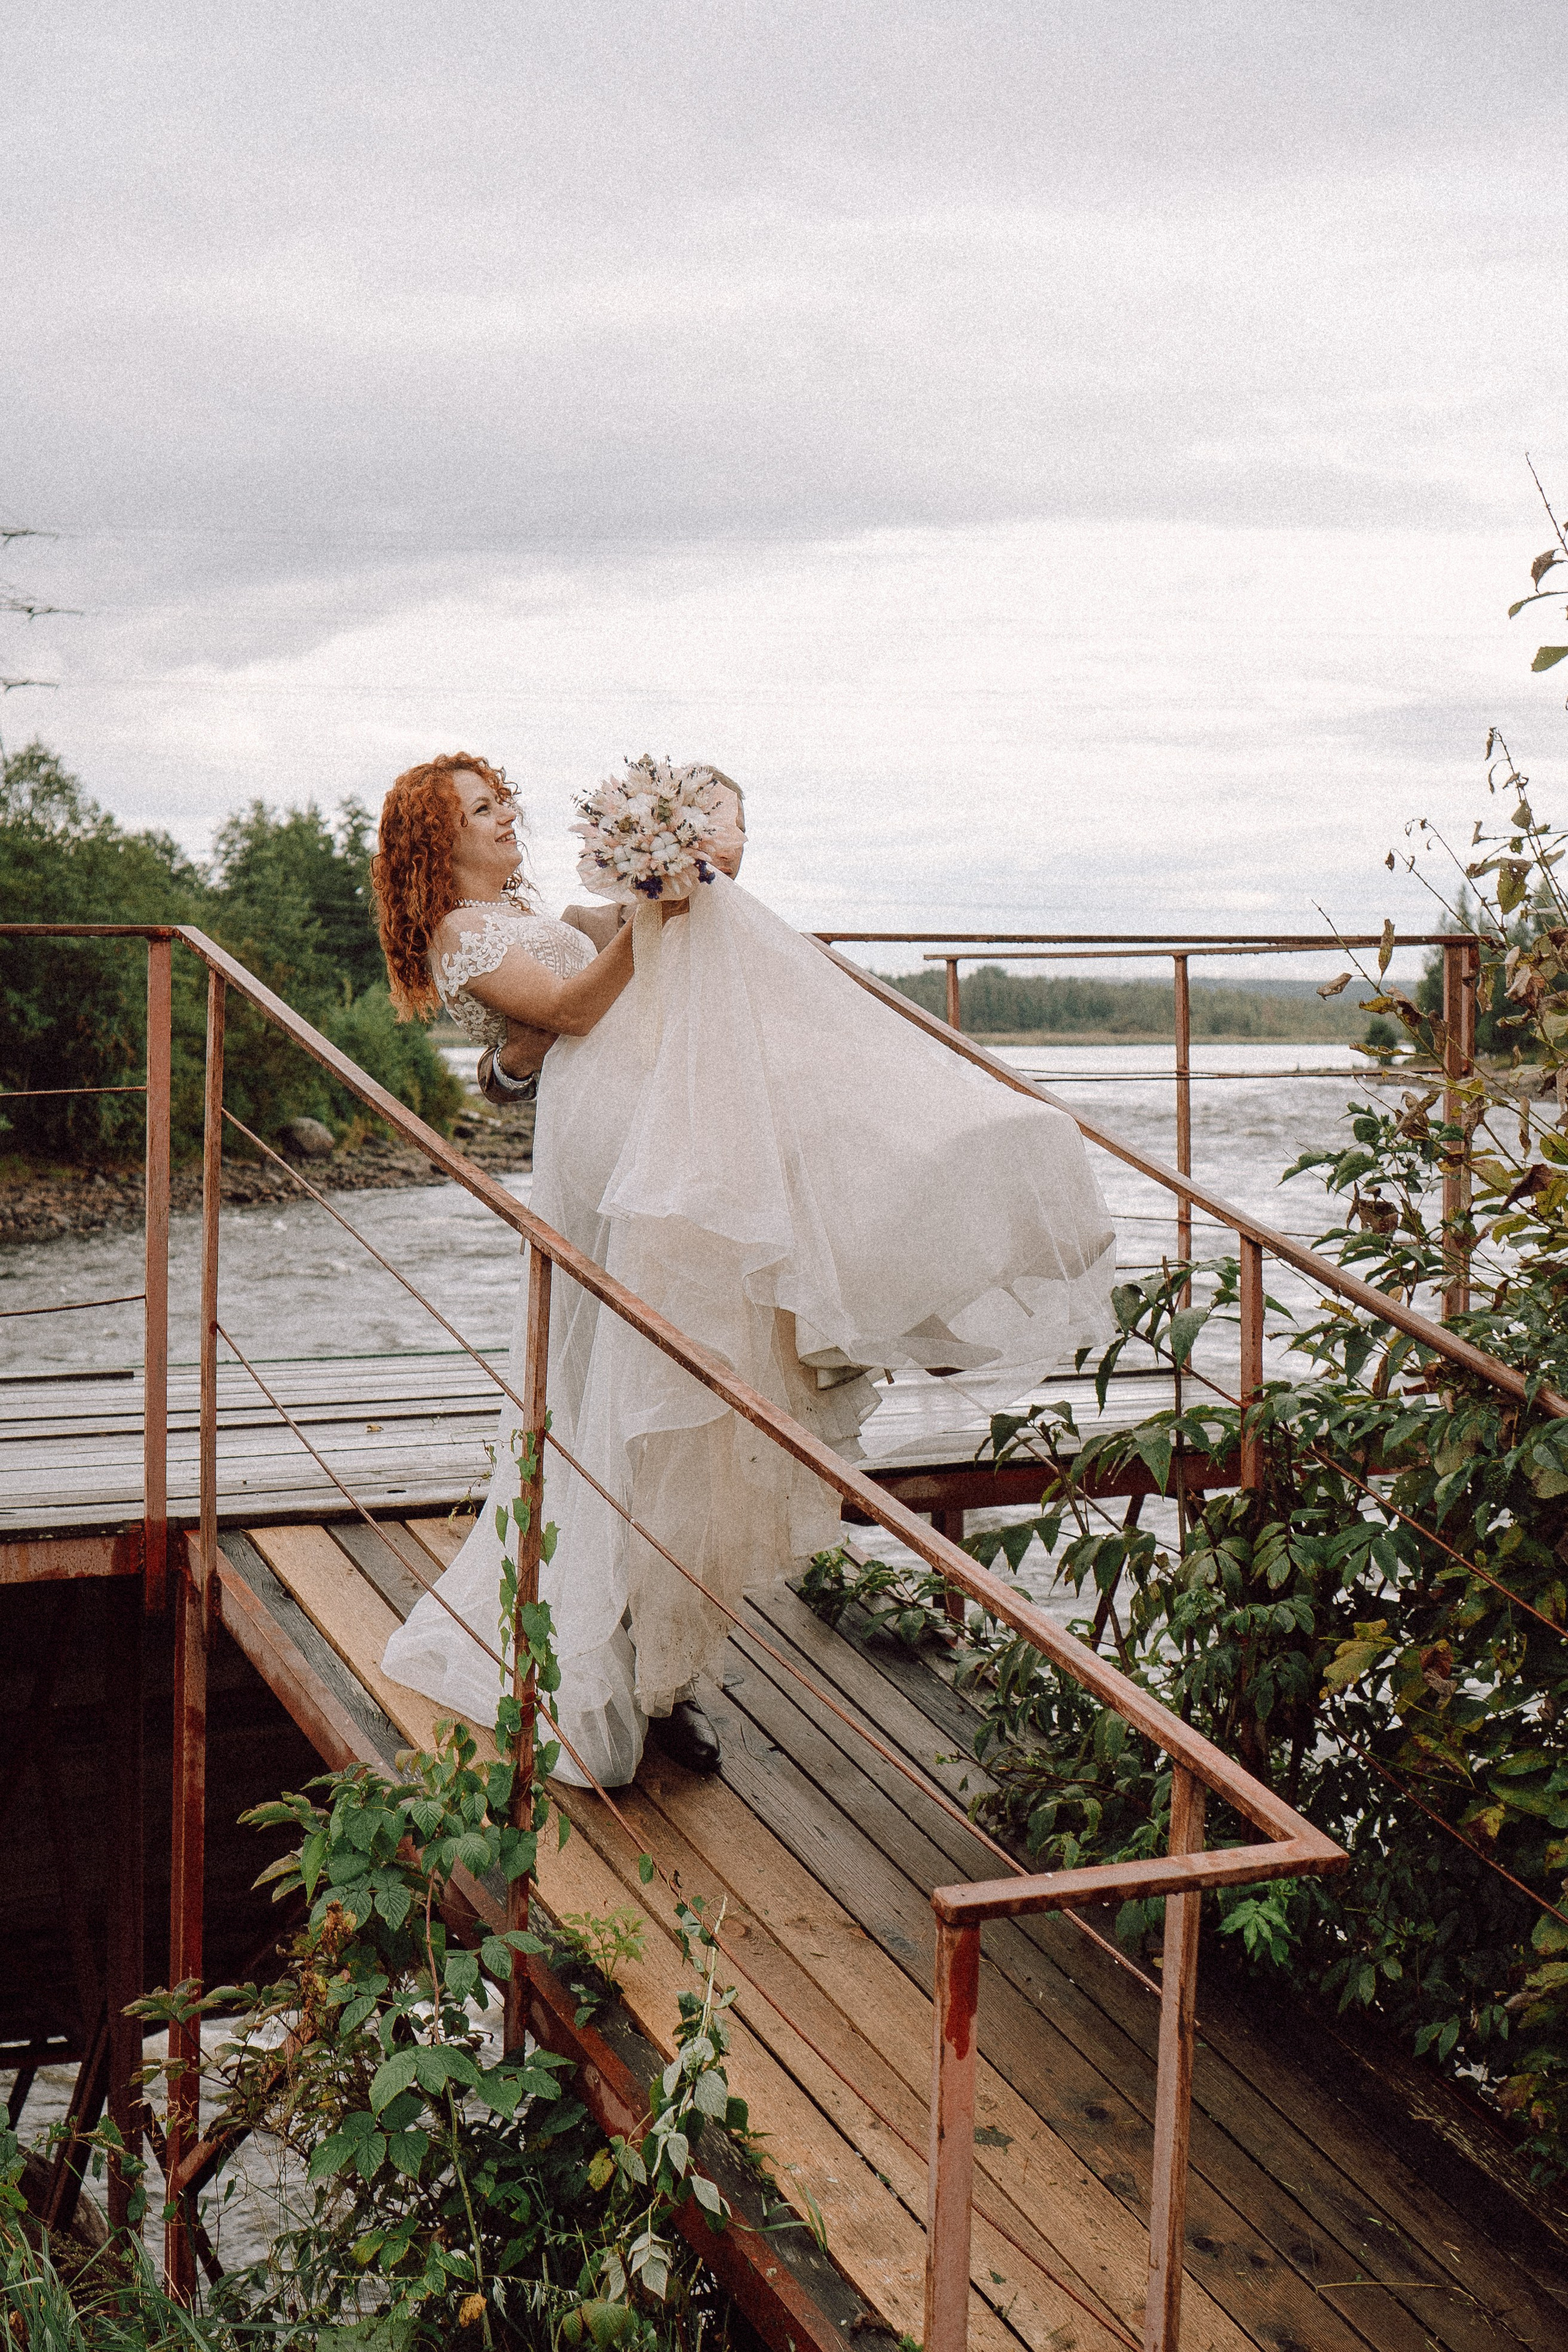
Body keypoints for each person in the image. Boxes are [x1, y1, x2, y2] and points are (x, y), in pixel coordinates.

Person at [372, 752, 1117, 1793]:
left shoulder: (538, 912)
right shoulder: (459, 933)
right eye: (479, 811)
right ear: (431, 843)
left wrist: (681, 872)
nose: (505, 819)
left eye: (501, 803)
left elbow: (622, 976)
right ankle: (619, 1657)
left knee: (699, 1341)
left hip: (646, 1107)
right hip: (608, 1136)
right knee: (645, 1365)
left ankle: (663, 1656)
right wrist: (641, 903)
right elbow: (576, 1009)